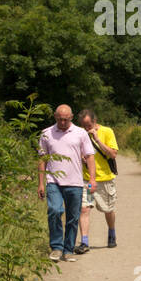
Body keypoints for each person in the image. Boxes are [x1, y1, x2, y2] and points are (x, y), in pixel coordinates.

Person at [37, 105, 95, 263]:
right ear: (55, 117)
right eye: (59, 119)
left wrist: (92, 180)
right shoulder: (46, 133)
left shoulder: (80, 133)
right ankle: (56, 247)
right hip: (53, 181)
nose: (62, 122)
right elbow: (42, 158)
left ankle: (68, 249)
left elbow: (89, 156)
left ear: (71, 117)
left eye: (66, 119)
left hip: (75, 181)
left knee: (73, 217)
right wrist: (41, 183)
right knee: (55, 210)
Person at [75, 109, 119, 252]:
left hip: (105, 179)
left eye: (88, 124)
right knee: (84, 209)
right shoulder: (80, 134)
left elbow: (113, 154)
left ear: (94, 121)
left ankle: (112, 233)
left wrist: (97, 139)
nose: (86, 128)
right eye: (83, 125)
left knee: (108, 209)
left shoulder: (107, 131)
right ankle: (84, 242)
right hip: (87, 180)